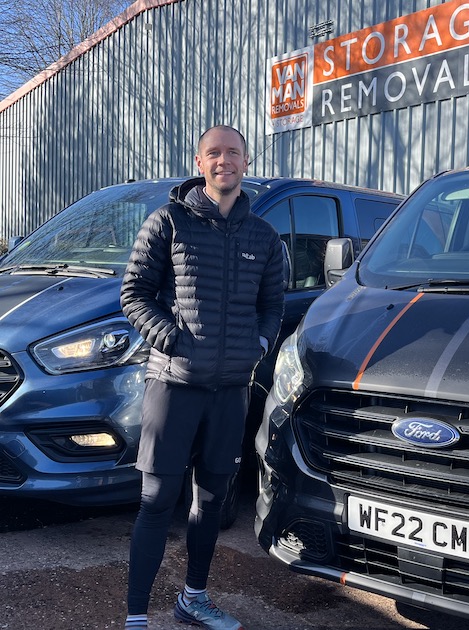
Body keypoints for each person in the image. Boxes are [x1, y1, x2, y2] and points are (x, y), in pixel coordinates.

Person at [120, 125, 288, 630]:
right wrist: (168, 336)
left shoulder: (264, 237)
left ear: (245, 160)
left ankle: (193, 600)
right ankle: (135, 618)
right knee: (155, 501)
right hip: (173, 387)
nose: (224, 161)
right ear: (200, 162)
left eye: (232, 153)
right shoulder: (168, 222)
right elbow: (134, 293)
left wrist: (257, 345)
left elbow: (272, 305)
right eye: (214, 153)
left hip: (230, 391)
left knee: (211, 503)